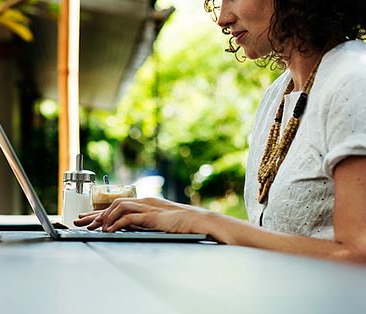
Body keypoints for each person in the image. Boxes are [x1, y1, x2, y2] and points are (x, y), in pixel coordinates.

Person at [76, 0, 366, 263]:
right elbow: (273, 237)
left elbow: (358, 253)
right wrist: (178, 214)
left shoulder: (353, 78)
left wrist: (209, 222)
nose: (223, 18)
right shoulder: (277, 95)